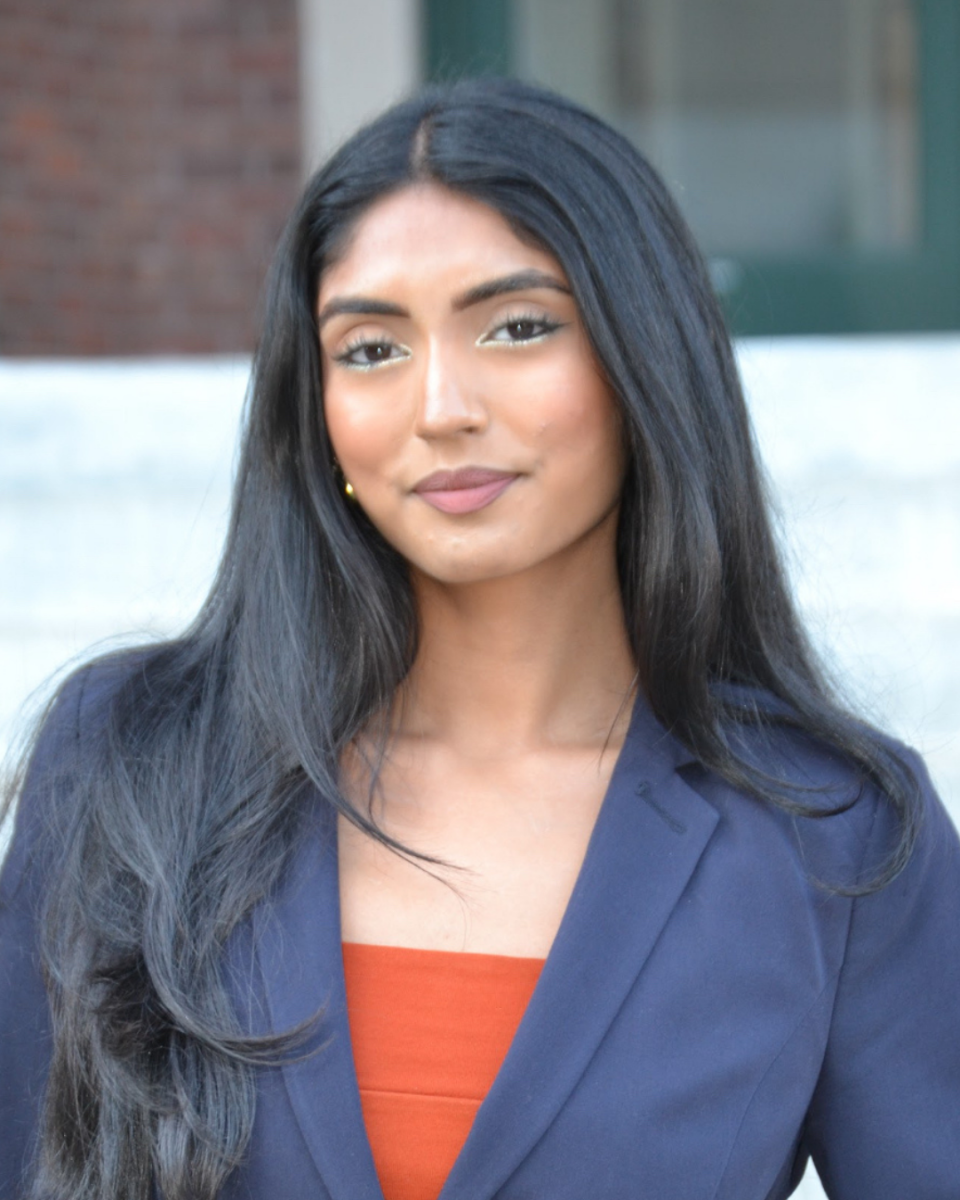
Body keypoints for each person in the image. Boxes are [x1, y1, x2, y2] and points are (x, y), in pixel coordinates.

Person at [1, 77, 958, 1200]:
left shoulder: (836, 833)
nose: (440, 405)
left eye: (517, 326)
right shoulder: (129, 759)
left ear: (643, 357)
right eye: (369, 349)